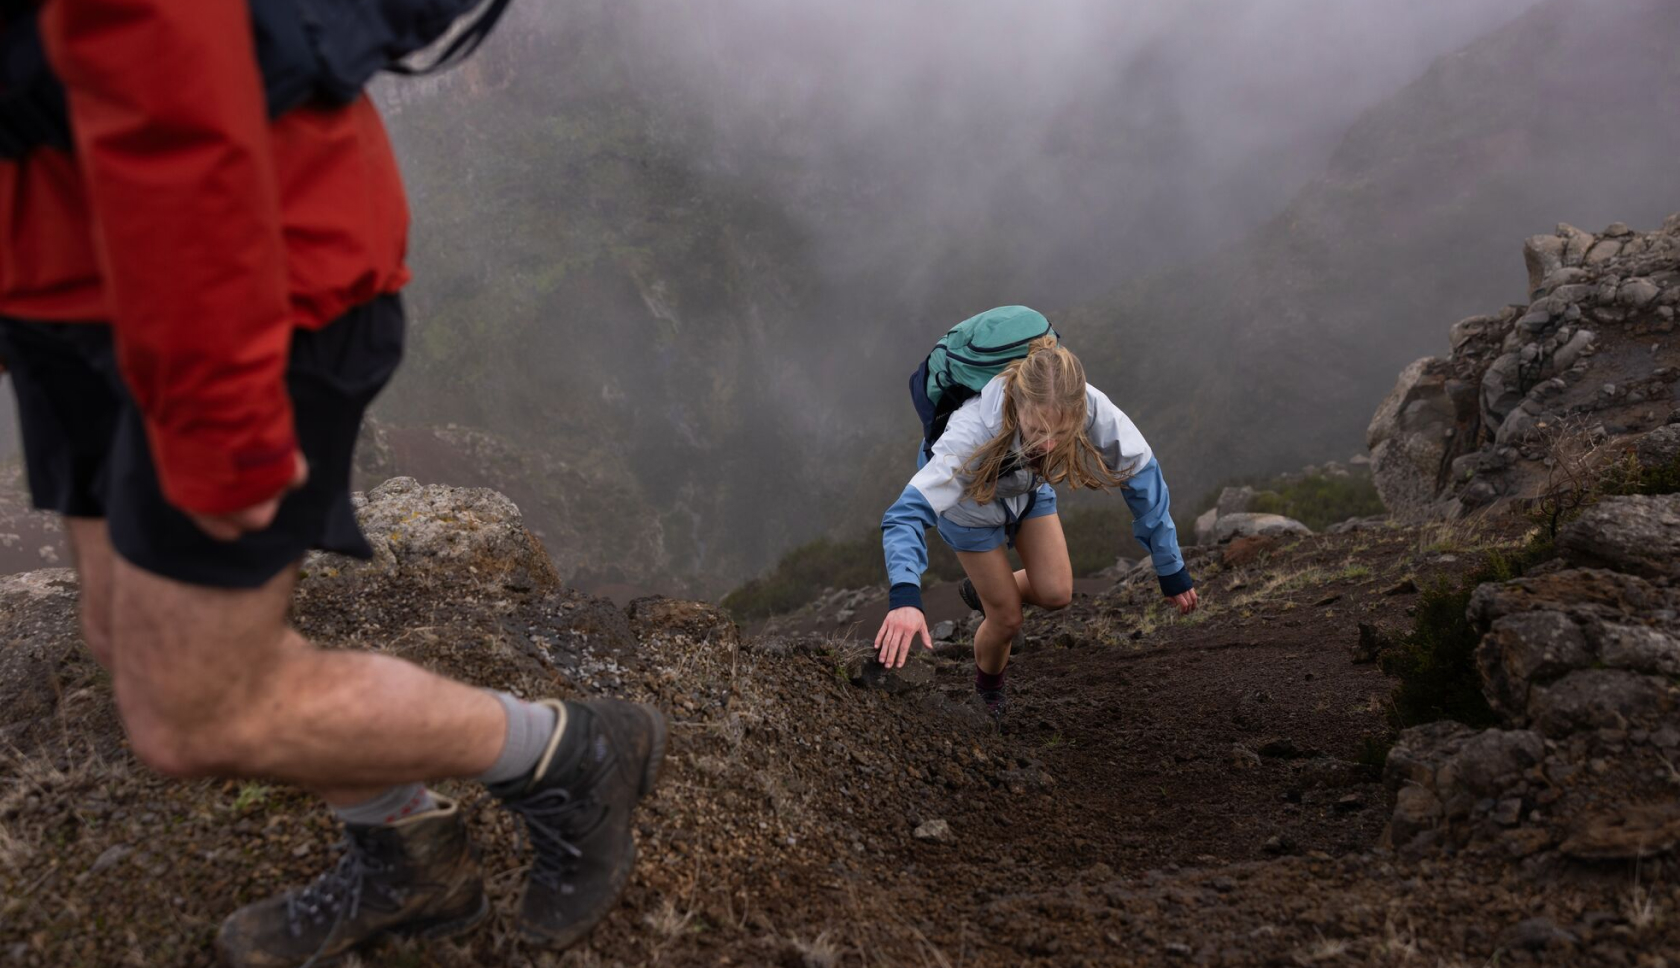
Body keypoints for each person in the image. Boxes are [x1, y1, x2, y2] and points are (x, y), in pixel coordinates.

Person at [0, 1, 664, 964]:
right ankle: (410, 854)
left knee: (194, 712)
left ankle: (571, 754)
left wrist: (225, 424)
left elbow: (174, 95)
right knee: (123, 631)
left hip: (238, 279)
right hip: (79, 280)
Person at [874, 328, 1198, 725]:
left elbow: (1141, 472)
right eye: (1037, 430)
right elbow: (904, 515)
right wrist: (905, 597)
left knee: (1057, 593)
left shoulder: (1086, 402)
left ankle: (989, 590)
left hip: (1028, 493)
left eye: (1060, 433)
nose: (1047, 444)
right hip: (970, 509)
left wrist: (1171, 567)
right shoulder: (971, 430)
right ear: (1017, 403)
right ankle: (988, 693)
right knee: (1008, 619)